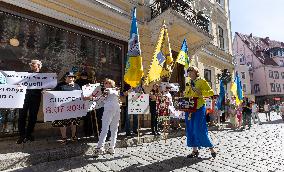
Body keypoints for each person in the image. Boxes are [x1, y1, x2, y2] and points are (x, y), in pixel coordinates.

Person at [184, 66, 216, 158]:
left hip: (198, 108)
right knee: (191, 129)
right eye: (188, 71)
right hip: (189, 109)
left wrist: (201, 93)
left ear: (196, 72)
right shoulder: (188, 83)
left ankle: (211, 147)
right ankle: (195, 151)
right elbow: (187, 94)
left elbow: (211, 92)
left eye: (191, 71)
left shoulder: (202, 81)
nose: (189, 73)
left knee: (200, 129)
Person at [52, 72, 82, 145]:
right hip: (63, 108)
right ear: (65, 77)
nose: (71, 78)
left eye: (72, 77)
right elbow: (53, 94)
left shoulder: (77, 85)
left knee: (74, 123)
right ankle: (64, 138)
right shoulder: (60, 85)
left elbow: (81, 95)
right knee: (63, 124)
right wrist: (46, 93)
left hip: (74, 108)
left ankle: (73, 136)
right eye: (69, 77)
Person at [17, 60, 42, 144]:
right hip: (24, 97)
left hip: (36, 98)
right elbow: (19, 82)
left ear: (38, 65)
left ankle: (29, 134)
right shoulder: (26, 74)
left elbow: (47, 85)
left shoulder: (44, 76)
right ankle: (22, 135)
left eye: (33, 64)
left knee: (33, 117)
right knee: (22, 116)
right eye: (31, 65)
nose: (31, 66)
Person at [94, 79, 121, 155]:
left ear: (111, 84)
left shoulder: (108, 90)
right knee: (114, 129)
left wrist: (91, 98)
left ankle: (100, 147)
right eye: (105, 83)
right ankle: (112, 147)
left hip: (109, 109)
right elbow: (101, 99)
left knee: (105, 128)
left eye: (107, 83)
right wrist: (93, 99)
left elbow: (100, 98)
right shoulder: (115, 91)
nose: (105, 84)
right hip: (117, 109)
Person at [75, 71, 93, 137]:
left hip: (79, 101)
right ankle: (88, 132)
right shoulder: (90, 82)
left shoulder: (77, 82)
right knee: (88, 117)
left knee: (78, 117)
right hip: (87, 101)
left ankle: (75, 133)